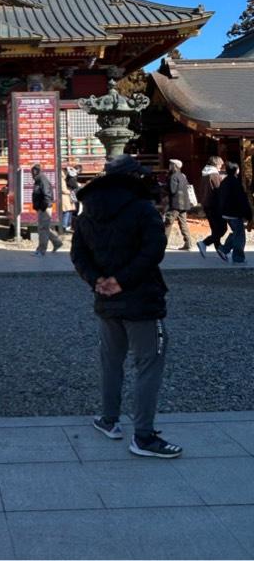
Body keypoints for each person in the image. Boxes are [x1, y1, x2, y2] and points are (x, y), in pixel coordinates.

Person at [71, 154, 182, 458]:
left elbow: (78, 254)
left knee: (111, 360)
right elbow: (153, 250)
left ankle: (109, 419)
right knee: (149, 363)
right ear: (131, 178)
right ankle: (143, 436)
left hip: (105, 299)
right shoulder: (141, 208)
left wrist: (97, 280)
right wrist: (122, 280)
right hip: (141, 297)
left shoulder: (87, 211)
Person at [218, 162, 252, 264]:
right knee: (240, 235)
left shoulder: (224, 182)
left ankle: (224, 249)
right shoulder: (236, 183)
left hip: (226, 213)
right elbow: (242, 200)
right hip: (234, 213)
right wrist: (248, 214)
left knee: (237, 233)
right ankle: (238, 258)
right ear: (236, 170)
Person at [197, 156, 227, 259]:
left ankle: (220, 250)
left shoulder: (204, 174)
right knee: (222, 228)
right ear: (215, 164)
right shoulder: (214, 175)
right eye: (220, 165)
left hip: (207, 205)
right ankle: (204, 243)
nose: (220, 167)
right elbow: (219, 192)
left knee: (215, 229)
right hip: (215, 206)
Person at [31, 164, 62, 256]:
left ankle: (41, 250)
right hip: (42, 206)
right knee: (45, 227)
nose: (31, 174)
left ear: (36, 171)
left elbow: (47, 194)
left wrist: (44, 206)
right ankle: (57, 242)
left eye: (33, 172)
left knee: (42, 228)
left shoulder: (42, 179)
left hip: (44, 207)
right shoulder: (39, 180)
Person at [164, 159, 193, 250]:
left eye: (171, 164)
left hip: (175, 204)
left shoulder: (173, 177)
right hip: (184, 204)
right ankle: (188, 243)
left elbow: (172, 190)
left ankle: (161, 243)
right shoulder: (182, 176)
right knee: (183, 223)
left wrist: (164, 186)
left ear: (174, 166)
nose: (169, 166)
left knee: (168, 223)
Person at [60, 167, 79, 233]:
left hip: (67, 197)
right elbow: (63, 190)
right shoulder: (62, 180)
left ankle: (67, 227)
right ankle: (64, 227)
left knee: (68, 212)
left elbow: (74, 172)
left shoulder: (64, 178)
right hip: (65, 197)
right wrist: (70, 192)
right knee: (67, 212)